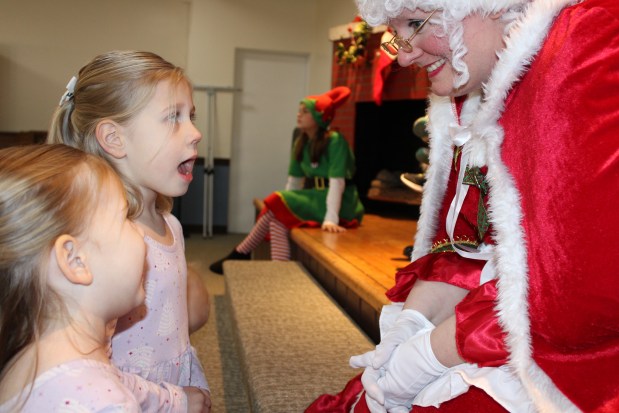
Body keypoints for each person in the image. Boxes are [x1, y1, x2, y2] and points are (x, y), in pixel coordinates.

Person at [307, 0, 619, 412]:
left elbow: (580, 296)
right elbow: (465, 250)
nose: (403, 55)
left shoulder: (586, 42)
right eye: (397, 34)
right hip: (507, 323)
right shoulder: (475, 87)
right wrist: (411, 327)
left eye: (416, 23)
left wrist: (430, 353)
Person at [47, 51, 211, 410]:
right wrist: (176, 400)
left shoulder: (170, 224)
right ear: (114, 139)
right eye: (174, 118)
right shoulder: (108, 243)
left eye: (191, 116)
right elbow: (90, 364)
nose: (196, 132)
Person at [0, 144, 208, 412]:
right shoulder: (104, 403)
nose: (141, 235)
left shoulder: (38, 357)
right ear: (75, 260)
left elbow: (118, 380)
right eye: (125, 218)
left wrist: (175, 402)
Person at [209, 86, 365, 275]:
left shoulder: (335, 140)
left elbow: (337, 183)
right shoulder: (302, 142)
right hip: (316, 198)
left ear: (320, 117)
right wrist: (284, 207)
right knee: (277, 215)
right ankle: (278, 269)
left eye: (305, 111)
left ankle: (241, 252)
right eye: (299, 111)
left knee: (276, 204)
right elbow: (294, 182)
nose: (299, 115)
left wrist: (331, 219)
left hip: (342, 202)